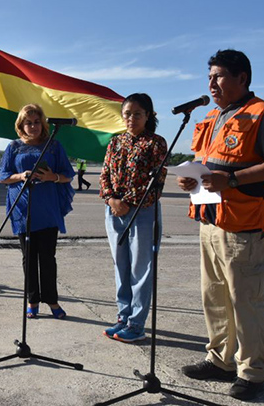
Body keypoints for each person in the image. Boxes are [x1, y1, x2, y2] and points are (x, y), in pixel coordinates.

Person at [176, 50, 264, 401]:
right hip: (211, 222)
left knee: (247, 303)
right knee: (214, 298)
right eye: (209, 77)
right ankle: (220, 360)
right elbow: (208, 162)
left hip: (245, 228)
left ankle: (252, 372)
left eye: (219, 76)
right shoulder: (213, 116)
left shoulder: (263, 114)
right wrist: (190, 179)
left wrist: (233, 180)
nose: (211, 83)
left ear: (242, 78)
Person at [99, 93, 167, 343]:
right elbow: (105, 174)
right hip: (114, 211)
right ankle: (123, 316)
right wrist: (111, 200)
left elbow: (155, 181)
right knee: (121, 266)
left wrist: (127, 202)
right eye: (127, 114)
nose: (131, 118)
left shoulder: (155, 143)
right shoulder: (115, 142)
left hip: (142, 211)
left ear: (148, 116)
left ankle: (137, 324)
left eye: (137, 114)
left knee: (141, 269)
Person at [0, 104, 76, 319]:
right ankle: (32, 300)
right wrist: (21, 175)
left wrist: (53, 177)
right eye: (28, 123)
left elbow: (68, 175)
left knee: (48, 258)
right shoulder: (13, 147)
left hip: (48, 208)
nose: (33, 126)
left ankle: (52, 300)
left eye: (36, 122)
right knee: (29, 258)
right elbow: (3, 176)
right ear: (21, 125)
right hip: (23, 209)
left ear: (43, 124)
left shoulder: (53, 146)